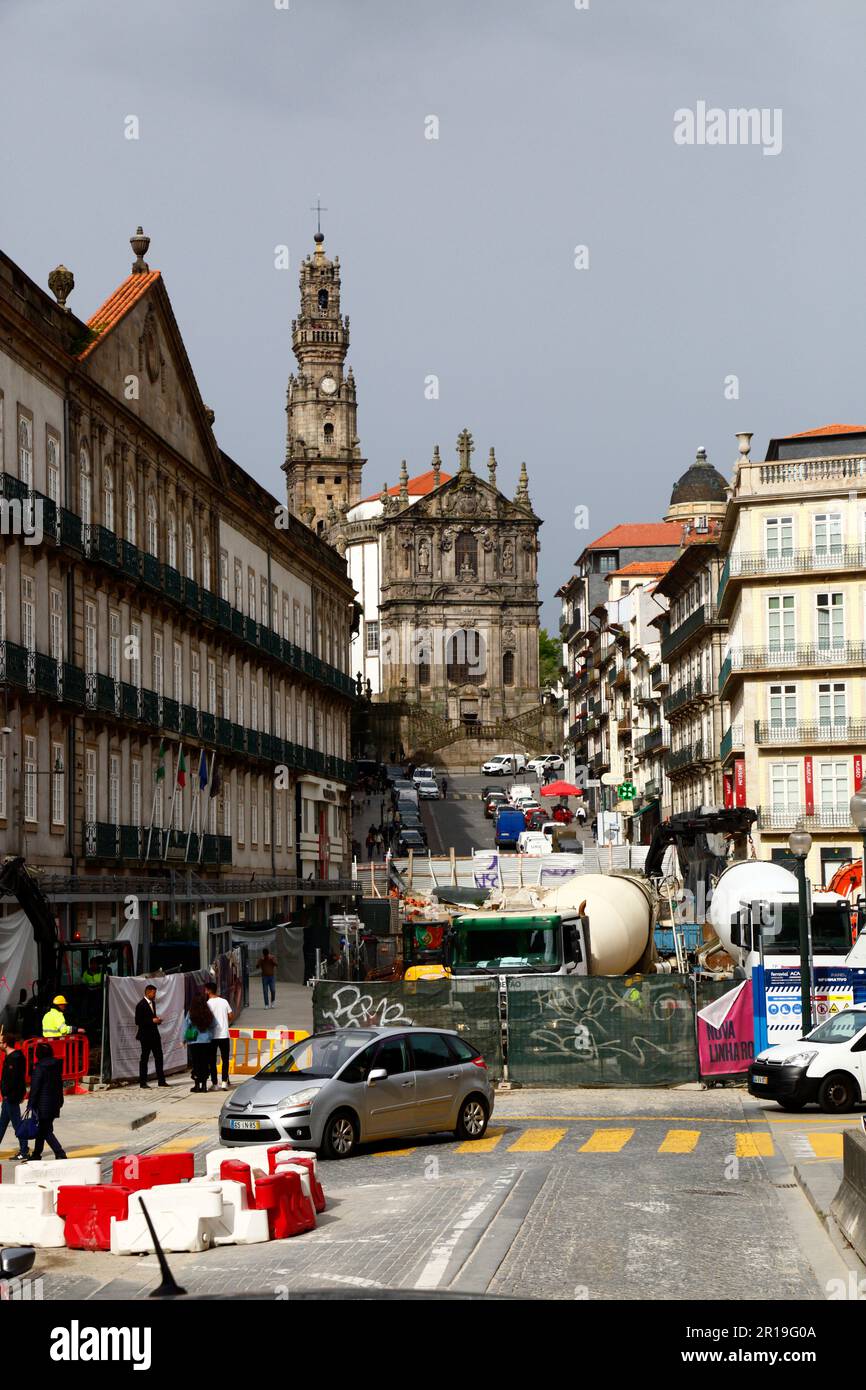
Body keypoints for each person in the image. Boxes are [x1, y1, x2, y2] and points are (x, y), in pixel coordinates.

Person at [28, 1041, 67, 1161]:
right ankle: (36, 1154)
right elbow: (59, 1085)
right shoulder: (56, 1066)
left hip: (42, 1104)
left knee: (45, 1131)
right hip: (55, 1102)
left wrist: (30, 1104)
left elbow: (35, 1088)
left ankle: (60, 1153)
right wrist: (60, 1100)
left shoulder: (39, 1068)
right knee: (42, 1129)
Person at [0, 1034, 30, 1161]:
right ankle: (24, 1150)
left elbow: (15, 1080)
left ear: (5, 1044)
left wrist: (11, 1093)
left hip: (11, 1097)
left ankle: (24, 1151)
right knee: (1, 1125)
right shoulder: (11, 1057)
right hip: (8, 1097)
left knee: (17, 1124)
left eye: (0, 1041)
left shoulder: (15, 1059)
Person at [135, 983, 168, 1089]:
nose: (155, 995)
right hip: (145, 1036)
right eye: (153, 993)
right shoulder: (140, 1005)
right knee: (144, 1058)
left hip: (154, 1035)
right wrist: (151, 1020)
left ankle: (161, 1081)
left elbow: (151, 1018)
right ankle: (143, 1082)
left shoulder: (152, 1003)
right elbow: (138, 1021)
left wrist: (156, 1020)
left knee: (159, 1057)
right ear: (148, 992)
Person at [205, 981, 234, 1090]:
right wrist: (225, 1022)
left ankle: (214, 1083)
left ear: (208, 991)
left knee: (212, 1060)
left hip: (212, 1036)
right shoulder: (224, 1001)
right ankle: (224, 1082)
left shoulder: (207, 1004)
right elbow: (231, 1015)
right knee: (225, 1059)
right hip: (224, 1035)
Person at [183, 993, 214, 1093]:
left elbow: (186, 1027)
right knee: (205, 1063)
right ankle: (204, 1086)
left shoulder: (191, 1013)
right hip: (206, 1042)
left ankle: (197, 1085)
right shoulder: (208, 1013)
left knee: (196, 1064)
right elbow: (214, 1025)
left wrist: (183, 1039)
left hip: (194, 1041)